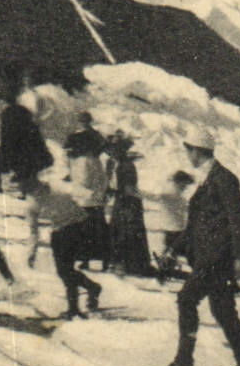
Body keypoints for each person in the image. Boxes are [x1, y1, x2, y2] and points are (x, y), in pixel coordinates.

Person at [150, 126, 240, 366]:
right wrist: (174, 248)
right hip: (207, 256)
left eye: (188, 150)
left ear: (197, 151)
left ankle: (184, 365)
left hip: (217, 257)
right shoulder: (207, 178)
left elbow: (239, 218)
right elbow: (196, 225)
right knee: (224, 312)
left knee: (186, 299)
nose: (187, 154)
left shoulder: (223, 178)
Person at [25, 180, 101, 319]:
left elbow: (85, 193)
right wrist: (32, 252)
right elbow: (33, 231)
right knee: (65, 271)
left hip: (79, 227)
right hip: (61, 231)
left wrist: (95, 195)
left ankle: (74, 307)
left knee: (66, 271)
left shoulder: (57, 187)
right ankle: (91, 288)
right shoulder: (31, 204)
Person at [62, 113, 110, 267]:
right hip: (97, 201)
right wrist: (100, 195)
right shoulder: (96, 161)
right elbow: (103, 180)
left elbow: (81, 182)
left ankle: (85, 260)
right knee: (99, 231)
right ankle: (104, 260)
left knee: (84, 232)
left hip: (86, 201)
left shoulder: (81, 162)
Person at [104, 132, 153, 276]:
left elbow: (129, 187)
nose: (111, 153)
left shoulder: (126, 166)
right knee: (123, 231)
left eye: (114, 150)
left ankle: (129, 265)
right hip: (125, 201)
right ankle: (126, 264)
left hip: (128, 202)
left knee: (126, 231)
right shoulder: (119, 164)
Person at [0, 84, 53, 195]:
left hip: (14, 146)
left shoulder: (6, 113)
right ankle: (23, 182)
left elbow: (5, 133)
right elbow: (33, 129)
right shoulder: (23, 111)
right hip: (26, 146)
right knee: (31, 161)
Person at [151, 170, 195, 283]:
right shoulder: (171, 194)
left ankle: (164, 272)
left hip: (175, 228)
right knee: (174, 252)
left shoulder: (176, 194)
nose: (185, 187)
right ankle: (163, 273)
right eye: (184, 184)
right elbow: (158, 197)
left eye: (186, 184)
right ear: (178, 182)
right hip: (174, 229)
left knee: (171, 252)